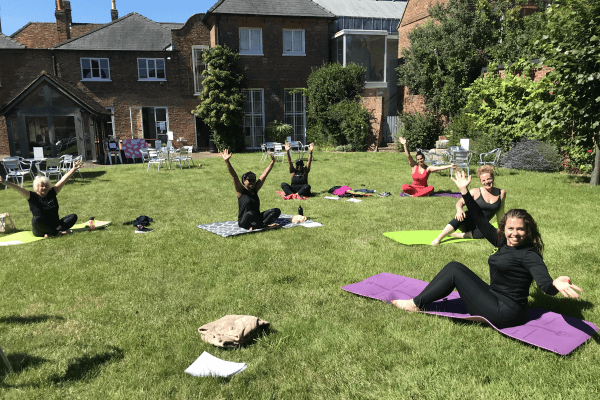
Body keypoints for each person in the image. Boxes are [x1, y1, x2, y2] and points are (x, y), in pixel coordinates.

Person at [392, 171, 582, 329]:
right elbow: (480, 220)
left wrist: (555, 283)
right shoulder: (503, 242)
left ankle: (415, 304)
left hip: (505, 313)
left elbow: (545, 285)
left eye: (520, 229)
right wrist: (464, 191)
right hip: (495, 298)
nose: (514, 234)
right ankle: (419, 302)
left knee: (455, 270)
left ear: (528, 231)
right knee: (455, 267)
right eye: (510, 229)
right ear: (504, 229)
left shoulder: (529, 254)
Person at [0, 159, 84, 237]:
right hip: (40, 229)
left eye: (46, 185)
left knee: (73, 217)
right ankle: (56, 233)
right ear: (36, 187)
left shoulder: (52, 192)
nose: (44, 187)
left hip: (55, 225)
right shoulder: (32, 196)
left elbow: (63, 180)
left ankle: (53, 232)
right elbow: (18, 188)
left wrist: (73, 169)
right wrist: (4, 182)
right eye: (42, 186)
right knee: (37, 219)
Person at [431, 165, 506, 245]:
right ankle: (439, 238)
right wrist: (459, 210)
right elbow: (460, 202)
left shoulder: (501, 193)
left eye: (489, 179)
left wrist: (501, 230)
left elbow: (500, 213)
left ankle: (458, 235)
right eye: (483, 180)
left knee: (488, 232)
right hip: (467, 222)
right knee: (461, 217)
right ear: (480, 181)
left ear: (493, 178)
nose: (486, 182)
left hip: (482, 226)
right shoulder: (475, 192)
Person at [223, 148, 281, 230]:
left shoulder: (255, 189)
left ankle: (260, 225)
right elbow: (234, 176)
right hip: (245, 221)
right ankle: (264, 226)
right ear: (244, 181)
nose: (252, 182)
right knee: (250, 213)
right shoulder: (240, 191)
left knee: (276, 211)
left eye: (254, 180)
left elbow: (264, 175)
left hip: (257, 218)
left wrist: (272, 162)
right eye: (249, 180)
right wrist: (227, 162)